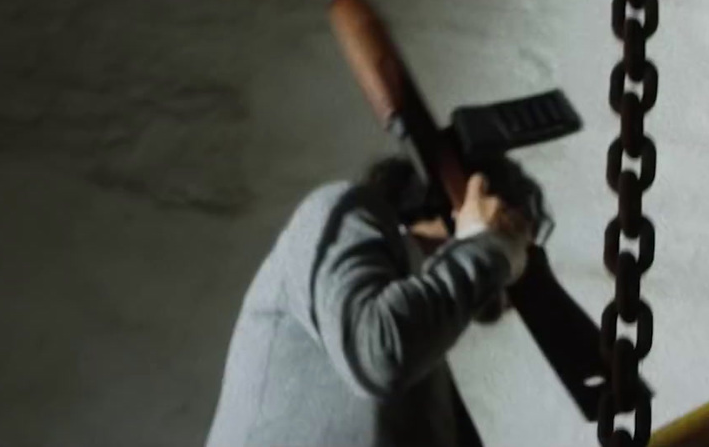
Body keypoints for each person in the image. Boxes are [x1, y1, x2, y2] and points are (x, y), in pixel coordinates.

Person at [204, 155, 545, 447]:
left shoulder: (424, 367)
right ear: (464, 207)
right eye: (513, 235)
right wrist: (488, 247)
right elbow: (378, 354)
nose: (517, 266)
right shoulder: (341, 211)